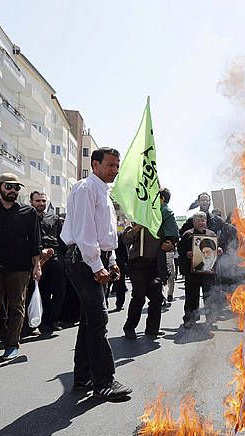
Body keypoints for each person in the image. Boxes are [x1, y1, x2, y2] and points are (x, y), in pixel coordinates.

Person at [61, 147, 132, 401]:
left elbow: (106, 236)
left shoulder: (104, 192)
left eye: (117, 165)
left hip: (95, 259)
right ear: (95, 164)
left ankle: (83, 377)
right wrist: (96, 265)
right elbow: (84, 233)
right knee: (99, 319)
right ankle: (105, 381)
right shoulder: (85, 188)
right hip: (82, 260)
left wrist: (111, 260)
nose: (115, 170)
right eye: (110, 165)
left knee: (89, 321)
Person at [0, 174, 42, 361]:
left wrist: (37, 266)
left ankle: (12, 345)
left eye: (17, 188)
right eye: (9, 186)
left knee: (17, 307)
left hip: (20, 268)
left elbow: (36, 242)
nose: (13, 190)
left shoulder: (29, 212)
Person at [121, 204, 178, 340]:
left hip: (155, 265)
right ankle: (129, 327)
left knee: (156, 298)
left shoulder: (160, 222)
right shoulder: (135, 219)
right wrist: (138, 227)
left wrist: (170, 245)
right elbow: (125, 239)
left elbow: (170, 240)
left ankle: (152, 329)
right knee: (139, 296)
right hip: (138, 264)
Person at [29, 191, 66, 334]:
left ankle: (53, 320)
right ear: (32, 202)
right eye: (38, 201)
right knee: (40, 291)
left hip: (55, 258)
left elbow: (62, 238)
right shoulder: (27, 217)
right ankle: (40, 322)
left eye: (43, 201)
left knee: (59, 290)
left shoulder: (54, 218)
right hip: (37, 259)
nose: (41, 204)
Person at [178, 211, 222, 327]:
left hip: (208, 271)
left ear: (206, 222)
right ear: (194, 222)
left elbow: (217, 247)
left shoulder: (211, 234)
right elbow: (180, 250)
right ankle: (189, 319)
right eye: (198, 220)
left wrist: (219, 250)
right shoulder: (188, 235)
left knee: (210, 295)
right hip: (193, 272)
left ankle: (211, 319)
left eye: (203, 220)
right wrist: (187, 254)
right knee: (192, 296)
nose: (201, 222)